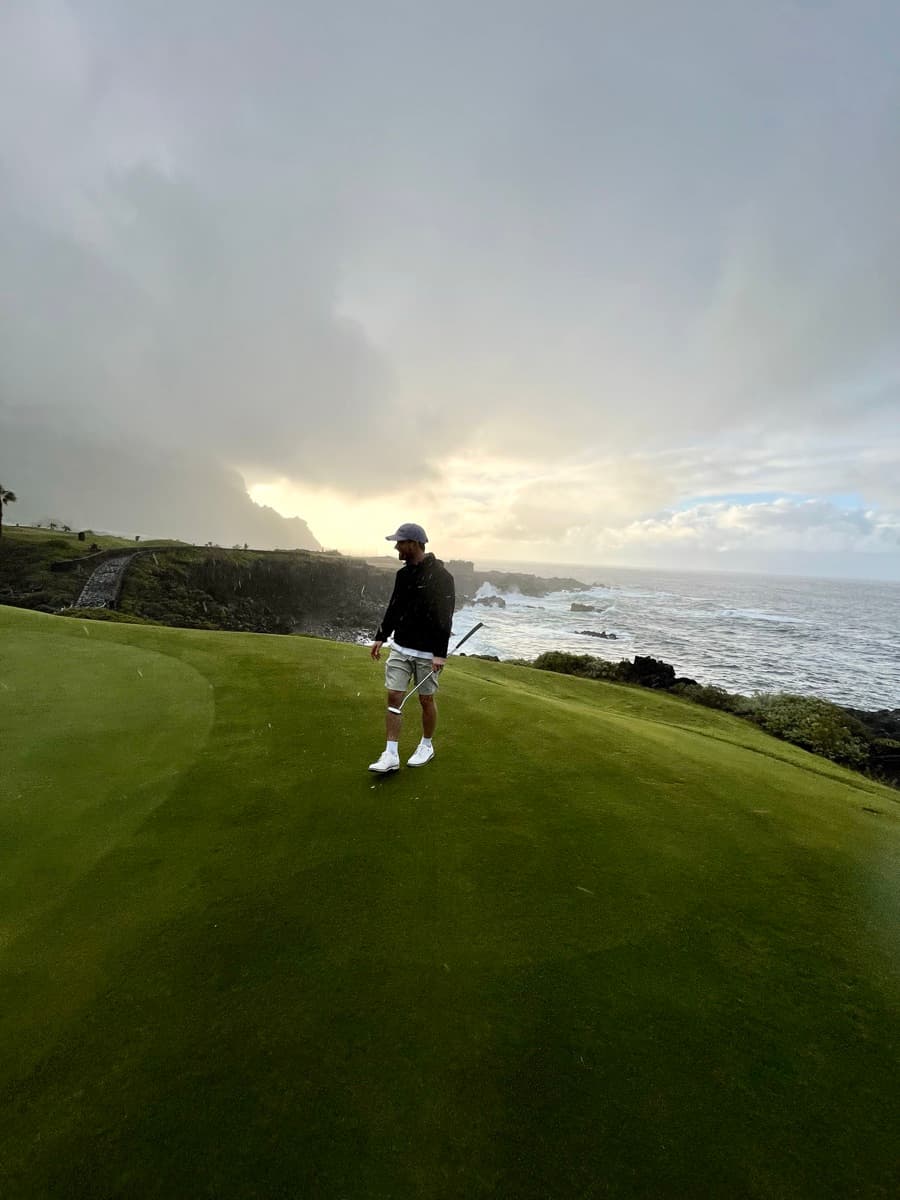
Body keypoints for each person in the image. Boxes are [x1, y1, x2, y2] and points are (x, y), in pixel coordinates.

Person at [369, 523, 455, 773]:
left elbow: (444, 616)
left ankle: (426, 745)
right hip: (401, 646)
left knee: (425, 699)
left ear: (414, 544)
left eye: (400, 543)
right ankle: (391, 754)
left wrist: (440, 653)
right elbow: (394, 607)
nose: (396, 547)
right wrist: (380, 636)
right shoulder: (403, 575)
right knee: (394, 696)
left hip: (428, 652)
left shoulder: (442, 577)